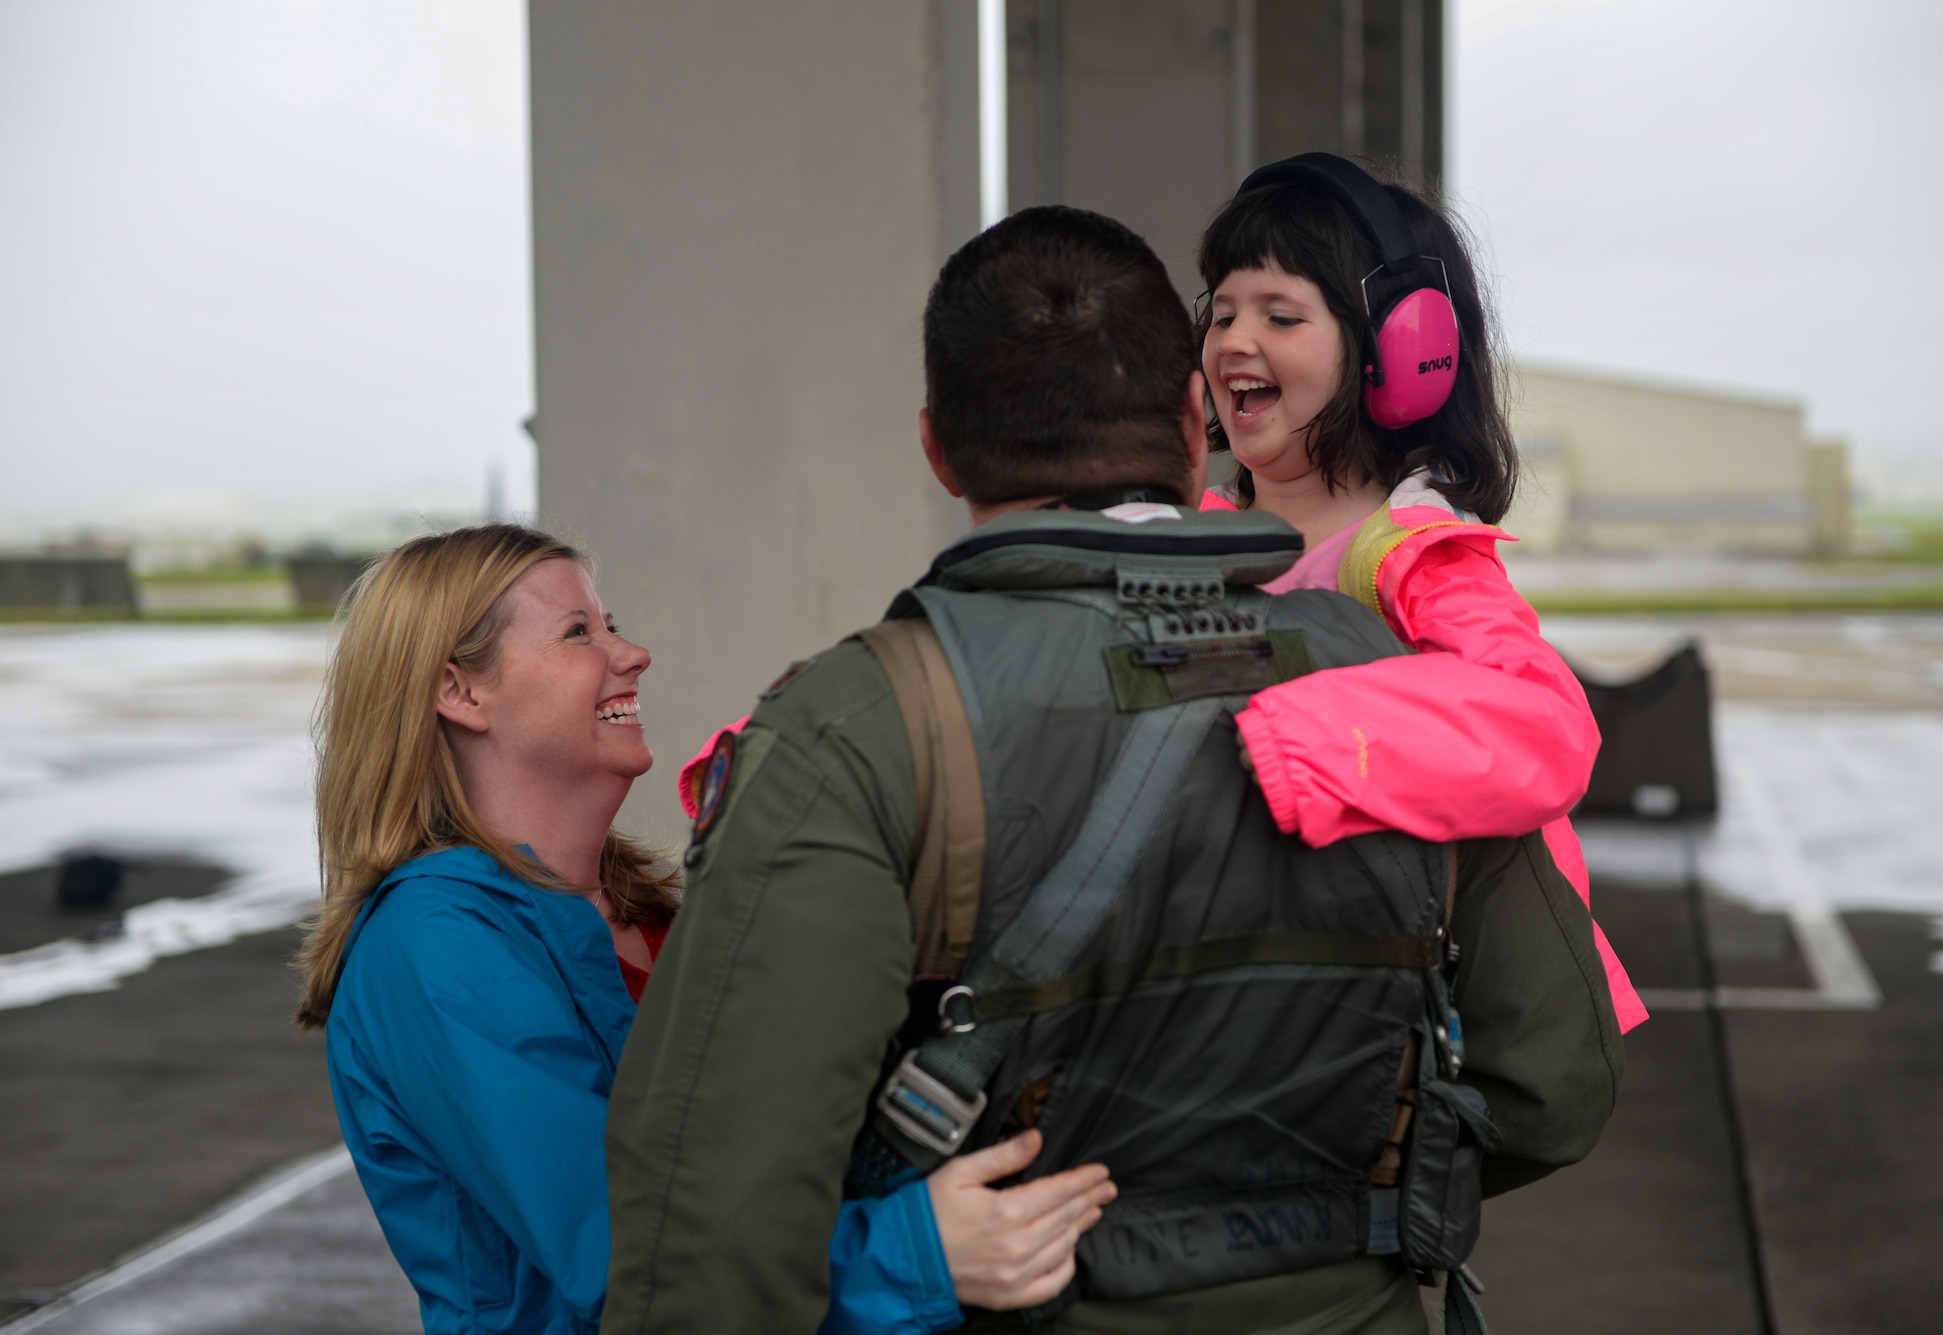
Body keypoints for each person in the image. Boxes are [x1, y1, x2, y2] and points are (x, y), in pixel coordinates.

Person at [604, 206, 1622, 1334]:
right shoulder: (1407, 684)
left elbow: (716, 1204)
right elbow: (1547, 1086)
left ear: (938, 447)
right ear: (1195, 423)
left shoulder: (862, 722)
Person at [294, 524, 1114, 1334]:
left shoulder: (651, 913)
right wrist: (919, 1253)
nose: (632, 652)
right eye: (580, 631)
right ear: (461, 691)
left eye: (612, 623)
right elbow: (629, 1259)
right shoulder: (435, 943)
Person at [1194, 153, 1647, 1033]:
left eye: (1280, 314)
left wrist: (1298, 741)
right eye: (1221, 311)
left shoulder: (1411, 556)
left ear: (1400, 352)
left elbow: (1544, 725)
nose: (1233, 340)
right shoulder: (1189, 536)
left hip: (1385, 1019)